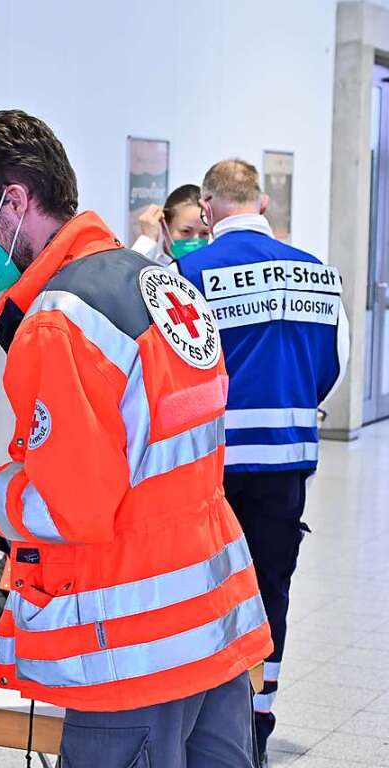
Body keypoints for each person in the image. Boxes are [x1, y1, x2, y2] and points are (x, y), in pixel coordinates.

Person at [0, 110, 273, 767]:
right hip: (209, 624)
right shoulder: (161, 285)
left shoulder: (61, 323)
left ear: (16, 201)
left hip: (131, 649)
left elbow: (72, 507)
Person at [177, 159, 349, 766]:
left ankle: (202, 717)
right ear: (265, 203)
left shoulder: (186, 273)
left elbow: (170, 371)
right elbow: (332, 367)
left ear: (206, 206)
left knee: (201, 588)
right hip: (287, 461)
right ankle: (258, 716)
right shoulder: (319, 275)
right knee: (269, 587)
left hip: (208, 466)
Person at [132, 184, 211, 266]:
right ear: (164, 226)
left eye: (205, 233)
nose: (196, 240)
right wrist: (148, 238)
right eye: (186, 231)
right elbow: (126, 275)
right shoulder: (149, 263)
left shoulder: (214, 267)